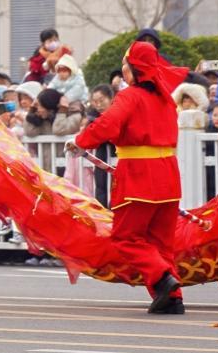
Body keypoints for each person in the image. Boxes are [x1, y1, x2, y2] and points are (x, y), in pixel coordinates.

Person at [70, 41, 188, 314]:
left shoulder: (129, 96)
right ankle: (172, 298)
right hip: (168, 176)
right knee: (161, 244)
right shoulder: (165, 99)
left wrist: (81, 141)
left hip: (138, 175)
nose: (123, 71)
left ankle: (162, 277)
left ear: (135, 69)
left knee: (126, 238)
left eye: (126, 65)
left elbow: (108, 124)